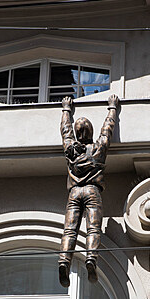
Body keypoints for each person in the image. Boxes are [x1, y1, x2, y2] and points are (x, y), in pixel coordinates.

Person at [59, 94, 119, 287]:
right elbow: (107, 130)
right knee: (93, 228)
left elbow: (65, 131)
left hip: (74, 193)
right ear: (91, 132)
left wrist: (66, 109)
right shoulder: (98, 148)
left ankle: (64, 261)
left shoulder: (71, 150)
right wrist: (112, 108)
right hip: (92, 191)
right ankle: (91, 258)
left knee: (70, 230)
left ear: (77, 134)